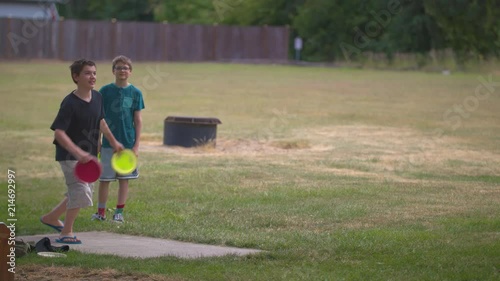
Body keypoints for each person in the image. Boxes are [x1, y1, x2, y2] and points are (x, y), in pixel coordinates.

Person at [40, 59, 124, 244]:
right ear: (75, 77)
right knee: (80, 191)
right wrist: (78, 153)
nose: (92, 76)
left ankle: (51, 217)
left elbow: (101, 122)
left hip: (90, 157)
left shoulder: (98, 97)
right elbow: (59, 133)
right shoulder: (69, 103)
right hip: (70, 155)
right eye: (87, 73)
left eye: (94, 72)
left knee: (80, 190)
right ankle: (66, 233)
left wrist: (113, 142)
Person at [91, 55, 145, 223]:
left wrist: (136, 145)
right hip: (108, 143)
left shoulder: (135, 93)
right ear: (113, 71)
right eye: (119, 67)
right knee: (105, 180)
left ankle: (119, 213)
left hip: (127, 144)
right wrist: (98, 141)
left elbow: (138, 120)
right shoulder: (105, 91)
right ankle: (101, 213)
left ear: (130, 72)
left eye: (125, 68)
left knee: (124, 180)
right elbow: (98, 118)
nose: (122, 70)